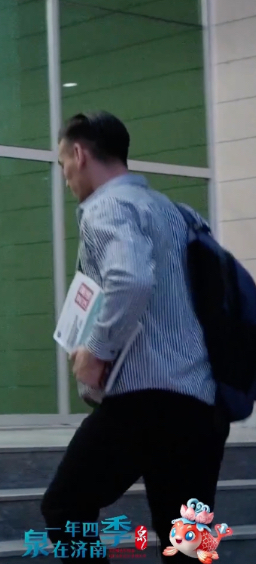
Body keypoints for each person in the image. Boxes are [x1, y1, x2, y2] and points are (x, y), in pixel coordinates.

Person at [40, 111, 230, 563]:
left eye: (63, 164)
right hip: (200, 400)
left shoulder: (107, 206)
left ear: (80, 154)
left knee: (65, 506)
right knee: (186, 541)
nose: (65, 177)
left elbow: (130, 280)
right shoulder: (177, 213)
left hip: (145, 398)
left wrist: (95, 351)